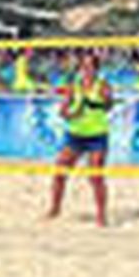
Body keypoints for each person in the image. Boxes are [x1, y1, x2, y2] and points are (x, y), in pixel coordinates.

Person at [45, 51, 113, 228]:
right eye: (84, 66)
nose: (86, 70)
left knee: (95, 177)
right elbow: (63, 111)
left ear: (97, 69)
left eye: (90, 66)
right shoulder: (74, 86)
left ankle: (101, 215)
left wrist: (101, 101)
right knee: (59, 172)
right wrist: (72, 113)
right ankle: (55, 208)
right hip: (75, 135)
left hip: (96, 135)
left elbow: (108, 106)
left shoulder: (102, 85)